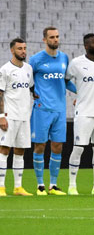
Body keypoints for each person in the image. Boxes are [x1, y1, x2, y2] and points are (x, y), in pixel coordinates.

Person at [29, 26, 76, 195]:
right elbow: (27, 80)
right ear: (44, 40)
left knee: (57, 146)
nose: (55, 39)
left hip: (59, 110)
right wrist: (32, 92)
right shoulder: (36, 60)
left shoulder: (64, 58)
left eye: (57, 36)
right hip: (42, 109)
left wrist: (82, 92)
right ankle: (40, 185)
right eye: (52, 37)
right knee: (40, 146)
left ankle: (53, 185)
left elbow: (66, 81)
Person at [65, 33, 94, 195]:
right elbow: (65, 80)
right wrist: (78, 93)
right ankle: (72, 186)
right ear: (86, 46)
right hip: (83, 112)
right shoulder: (76, 63)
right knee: (78, 149)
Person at [0, 37, 34, 196]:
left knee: (20, 150)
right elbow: (0, 94)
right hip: (9, 115)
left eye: (25, 48)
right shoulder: (5, 69)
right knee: (4, 149)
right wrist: (1, 116)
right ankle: (1, 187)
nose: (23, 51)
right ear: (12, 50)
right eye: (20, 48)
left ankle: (18, 187)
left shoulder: (28, 69)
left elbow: (31, 89)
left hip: (24, 116)